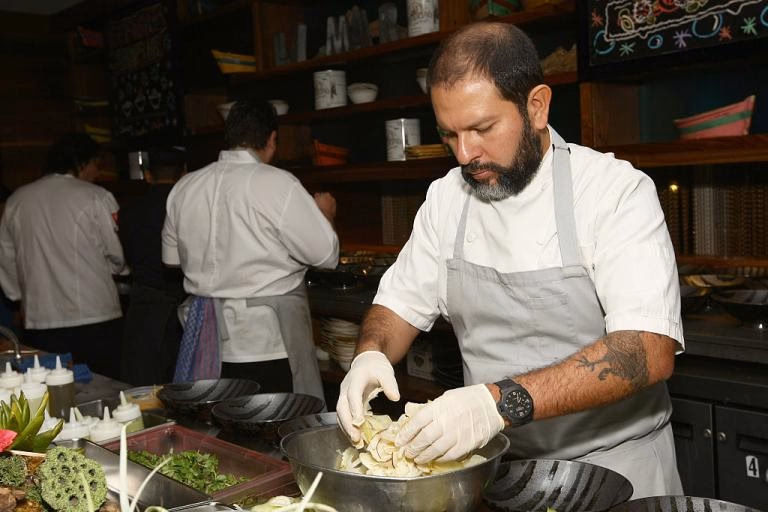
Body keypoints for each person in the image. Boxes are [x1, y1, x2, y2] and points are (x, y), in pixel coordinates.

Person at [336, 22, 684, 499]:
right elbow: (397, 304)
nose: (465, 154)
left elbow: (646, 350)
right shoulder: (446, 199)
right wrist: (370, 355)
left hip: (616, 470)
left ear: (536, 106)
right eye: (449, 135)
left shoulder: (613, 191)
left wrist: (494, 403)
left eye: (482, 129)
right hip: (497, 472)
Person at [162, 99, 339, 402]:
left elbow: (171, 259)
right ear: (271, 140)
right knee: (278, 433)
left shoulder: (185, 187)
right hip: (269, 343)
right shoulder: (278, 184)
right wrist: (326, 215)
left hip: (206, 341)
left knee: (221, 436)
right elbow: (326, 256)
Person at [0, 132, 125, 378]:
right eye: (95, 164)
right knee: (104, 386)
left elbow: (5, 258)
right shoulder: (96, 196)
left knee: (52, 389)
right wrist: (120, 270)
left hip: (41, 317)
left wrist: (18, 296)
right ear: (81, 162)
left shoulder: (17, 200)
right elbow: (117, 255)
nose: (96, 172)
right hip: (95, 313)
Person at [119, 147, 187, 385]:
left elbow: (124, 256)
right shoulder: (188, 208)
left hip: (144, 306)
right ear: (183, 174)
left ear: (148, 175)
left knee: (144, 385)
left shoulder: (128, 212)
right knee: (186, 383)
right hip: (184, 304)